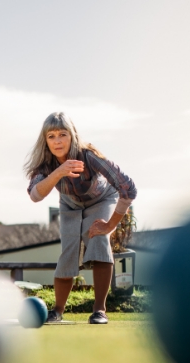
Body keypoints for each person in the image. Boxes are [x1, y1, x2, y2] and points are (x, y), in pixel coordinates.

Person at [25, 112, 137, 325]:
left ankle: (99, 310)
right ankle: (57, 311)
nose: (57, 141)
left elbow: (127, 188)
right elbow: (35, 195)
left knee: (98, 239)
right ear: (45, 140)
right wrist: (59, 172)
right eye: (51, 136)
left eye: (62, 134)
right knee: (68, 252)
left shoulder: (88, 155)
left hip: (101, 200)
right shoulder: (45, 164)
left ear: (72, 135)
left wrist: (110, 225)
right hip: (70, 205)